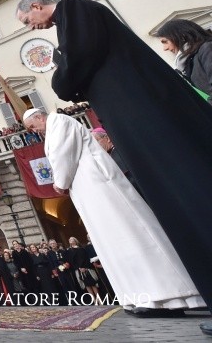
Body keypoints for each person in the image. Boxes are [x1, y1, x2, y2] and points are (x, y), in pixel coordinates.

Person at [16, 0, 212, 324]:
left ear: (36, 6)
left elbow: (67, 79)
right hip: (128, 109)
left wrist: (62, 75)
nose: (30, 27)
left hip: (138, 109)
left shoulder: (75, 10)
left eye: (26, 21)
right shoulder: (69, 25)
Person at [23, 108, 205, 315]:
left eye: (32, 126)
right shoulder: (53, 127)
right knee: (114, 239)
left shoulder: (58, 121)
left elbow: (62, 155)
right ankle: (143, 296)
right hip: (86, 187)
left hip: (97, 182)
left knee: (128, 231)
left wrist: (59, 182)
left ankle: (167, 294)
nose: (33, 131)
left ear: (39, 117)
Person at [156, 18, 212, 102]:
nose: (165, 48)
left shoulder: (207, 49)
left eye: (165, 42)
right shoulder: (189, 63)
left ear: (181, 36)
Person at [90, 127, 141, 196]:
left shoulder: (119, 156)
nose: (95, 147)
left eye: (96, 142)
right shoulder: (111, 156)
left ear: (107, 139)